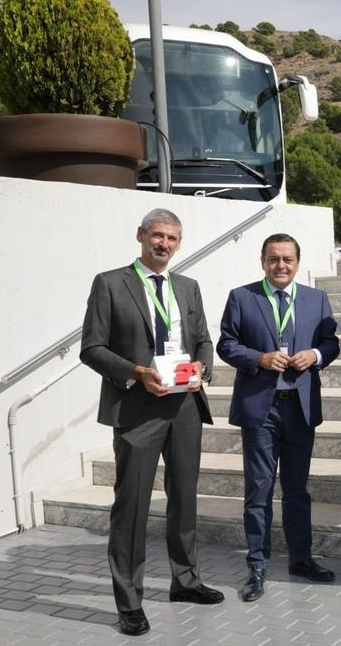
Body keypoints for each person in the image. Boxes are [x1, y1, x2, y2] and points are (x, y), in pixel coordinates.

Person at [79, 208, 224, 637]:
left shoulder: (188, 287)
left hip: (183, 407)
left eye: (172, 239)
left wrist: (202, 364)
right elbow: (92, 348)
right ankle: (129, 601)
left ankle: (186, 581)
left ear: (179, 243)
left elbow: (202, 339)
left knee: (184, 498)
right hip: (137, 408)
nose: (163, 244)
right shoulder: (110, 283)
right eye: (157, 236)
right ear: (141, 236)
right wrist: (136, 372)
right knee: (132, 507)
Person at [216, 233, 341, 602]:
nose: (281, 265)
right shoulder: (242, 297)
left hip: (299, 407)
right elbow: (226, 344)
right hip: (261, 408)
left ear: (298, 263)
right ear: (263, 262)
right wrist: (259, 359)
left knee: (297, 490)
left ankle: (301, 559)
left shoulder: (316, 299)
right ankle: (257, 566)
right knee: (259, 491)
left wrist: (316, 355)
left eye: (287, 259)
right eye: (274, 259)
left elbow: (332, 342)